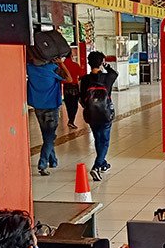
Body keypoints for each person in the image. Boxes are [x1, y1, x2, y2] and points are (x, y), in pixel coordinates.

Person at [27, 55, 72, 176]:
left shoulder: (30, 68)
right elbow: (69, 79)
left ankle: (53, 160)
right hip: (51, 107)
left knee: (46, 135)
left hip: (37, 107)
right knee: (49, 136)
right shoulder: (52, 68)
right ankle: (43, 163)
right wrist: (61, 64)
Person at [79, 51, 119, 181]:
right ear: (101, 62)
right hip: (105, 113)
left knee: (98, 139)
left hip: (91, 115)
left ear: (89, 63)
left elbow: (81, 99)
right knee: (105, 141)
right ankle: (96, 166)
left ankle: (102, 163)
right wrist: (105, 65)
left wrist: (89, 108)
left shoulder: (84, 79)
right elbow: (115, 73)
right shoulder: (107, 78)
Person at [63, 56, 83, 129]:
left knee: (68, 105)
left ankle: (70, 120)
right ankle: (71, 121)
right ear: (71, 56)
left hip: (66, 87)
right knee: (74, 105)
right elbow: (81, 75)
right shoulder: (75, 65)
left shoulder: (61, 65)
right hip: (74, 87)